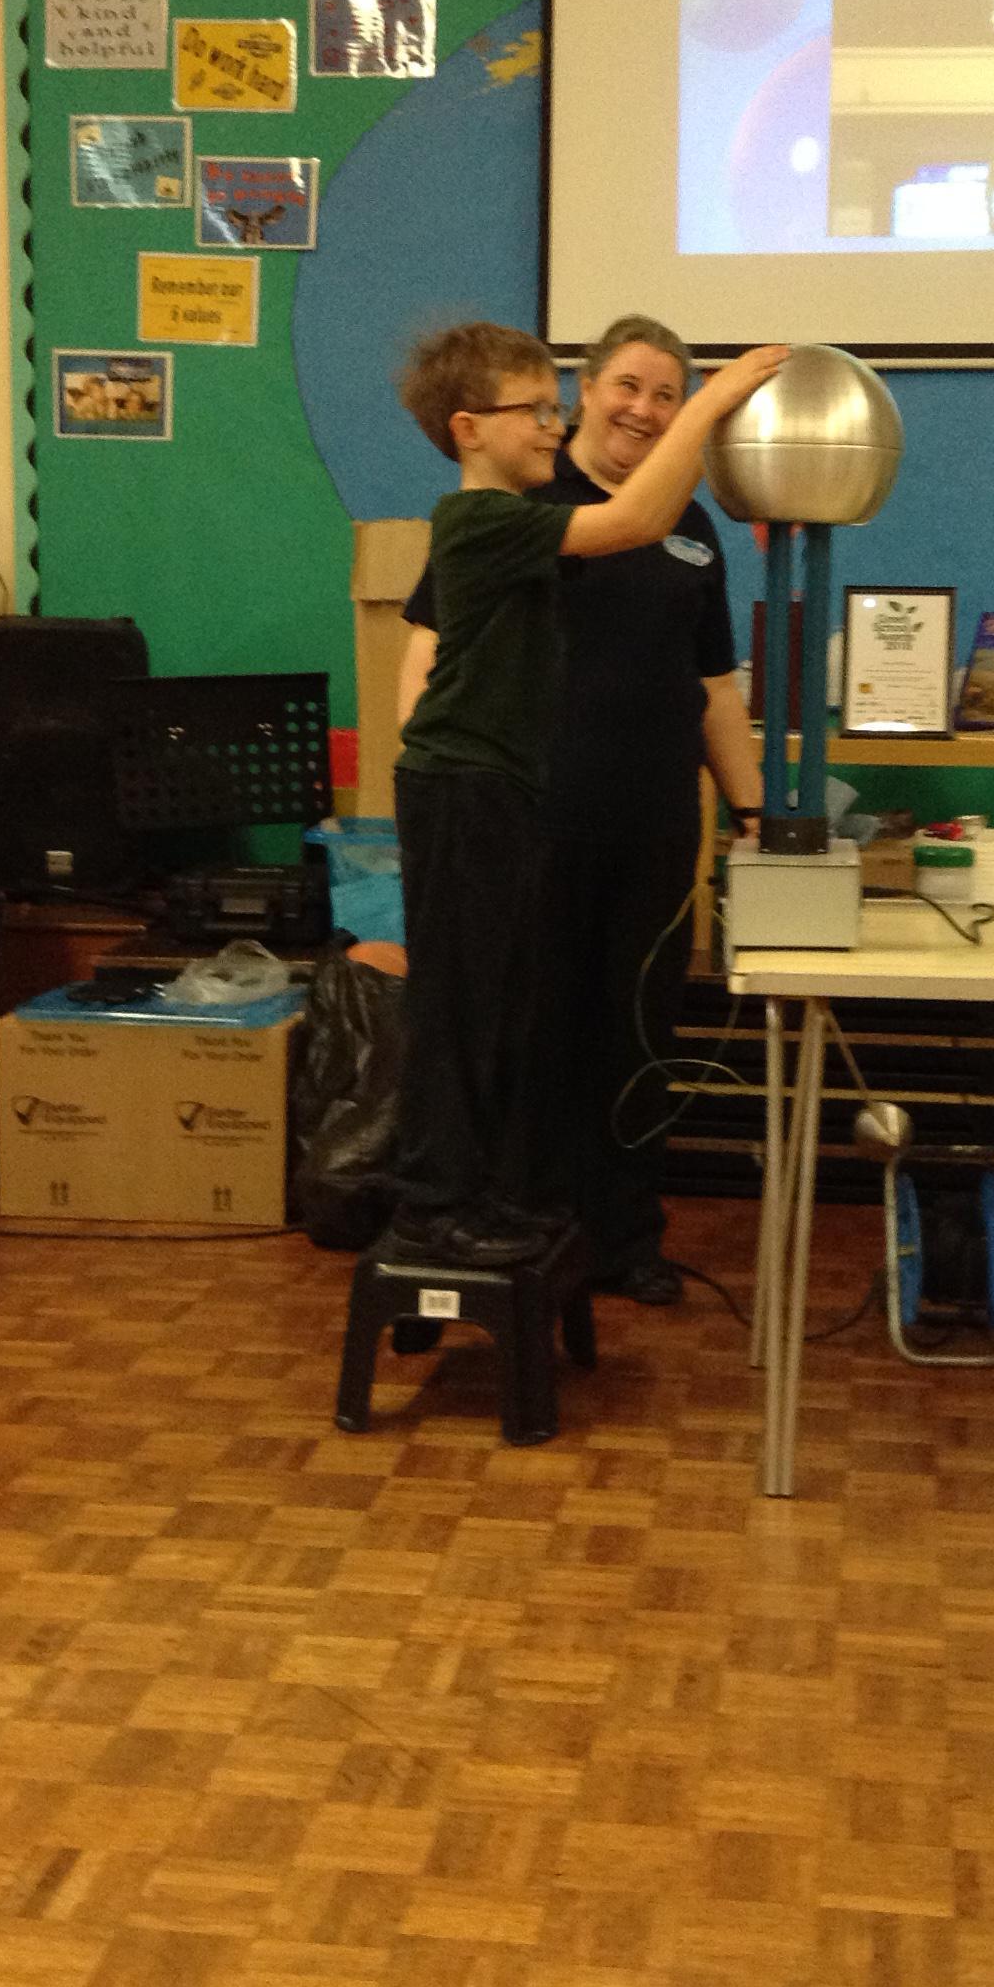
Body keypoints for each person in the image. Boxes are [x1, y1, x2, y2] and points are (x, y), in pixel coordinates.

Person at [390, 320, 786, 1275]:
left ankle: (609, 1234)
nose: (642, 411)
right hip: (509, 811)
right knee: (498, 1025)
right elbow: (433, 655)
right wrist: (715, 400)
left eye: (667, 395)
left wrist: (753, 813)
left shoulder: (676, 526)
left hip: (627, 820)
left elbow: (712, 684)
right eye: (625, 388)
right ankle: (481, 1212)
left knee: (627, 1029)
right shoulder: (510, 511)